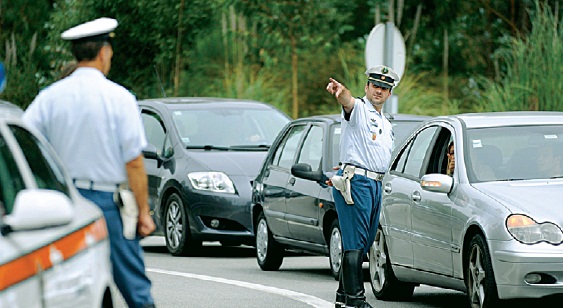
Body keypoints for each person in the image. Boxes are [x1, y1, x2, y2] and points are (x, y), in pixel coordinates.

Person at [23, 18, 156, 308]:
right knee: (133, 285)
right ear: (104, 52)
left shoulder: (49, 98)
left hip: (62, 204)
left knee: (71, 283)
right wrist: (144, 212)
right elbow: (134, 162)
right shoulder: (120, 98)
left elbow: (26, 142)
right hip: (106, 203)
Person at [326, 65, 398, 308]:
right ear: (366, 87)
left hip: (375, 183)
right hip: (357, 181)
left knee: (364, 241)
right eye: (375, 85)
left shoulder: (385, 122)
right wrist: (340, 91)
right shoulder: (359, 110)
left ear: (390, 94)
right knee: (356, 241)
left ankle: (344, 297)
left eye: (384, 88)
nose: (379, 91)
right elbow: (347, 102)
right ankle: (356, 300)